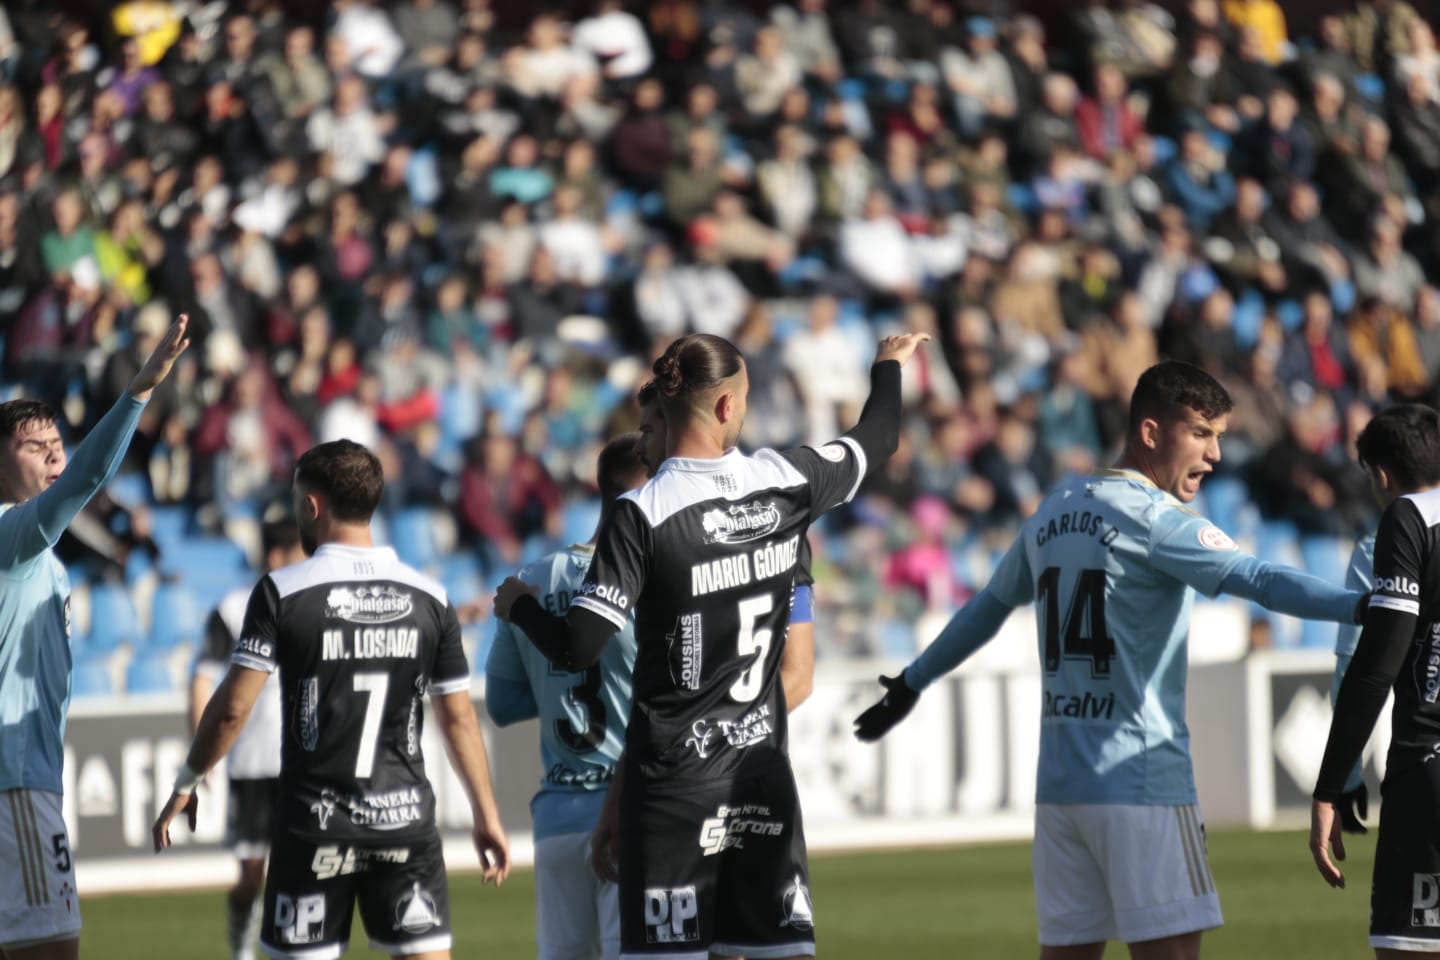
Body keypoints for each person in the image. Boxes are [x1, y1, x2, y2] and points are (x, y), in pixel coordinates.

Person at [853, 360, 1367, 960]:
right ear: (1150, 433)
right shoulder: (1157, 521)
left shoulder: (1055, 506)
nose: (1216, 455)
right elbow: (1261, 578)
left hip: (1063, 792)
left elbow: (989, 606)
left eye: (1219, 437)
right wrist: (1365, 607)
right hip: (1142, 782)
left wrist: (915, 679)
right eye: (1200, 434)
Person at [493, 331, 929, 960]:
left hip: (673, 790)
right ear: (726, 407)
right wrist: (887, 365)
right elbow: (880, 435)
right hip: (760, 782)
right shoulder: (786, 480)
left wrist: (522, 608)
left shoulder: (640, 513)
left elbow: (575, 648)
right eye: (745, 397)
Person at [153, 439, 510, 960]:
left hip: (314, 827)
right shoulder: (431, 596)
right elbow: (456, 717)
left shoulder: (282, 591)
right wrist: (487, 813)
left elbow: (232, 708)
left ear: (312, 505)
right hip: (405, 825)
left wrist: (187, 780)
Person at [0, 313, 189, 960]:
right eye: (34, 446)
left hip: (22, 775)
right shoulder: (13, 535)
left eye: (58, 441)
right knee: (53, 951)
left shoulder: (35, 549)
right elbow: (86, 479)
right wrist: (139, 389)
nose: (55, 454)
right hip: (16, 783)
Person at [484, 434, 650, 960]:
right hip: (632, 810)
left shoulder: (530, 581)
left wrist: (560, 689)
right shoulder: (654, 585)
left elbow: (504, 704)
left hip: (557, 816)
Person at [1310, 404, 1440, 958]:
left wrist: (1330, 785)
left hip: (1427, 768)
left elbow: (1376, 665)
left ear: (1381, 473)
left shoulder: (1408, 516)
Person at [188, 519, 308, 960]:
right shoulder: (235, 606)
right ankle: (242, 939)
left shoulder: (311, 599)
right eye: (298, 552)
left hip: (304, 762)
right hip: (254, 761)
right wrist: (203, 748)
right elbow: (202, 678)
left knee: (300, 869)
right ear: (276, 556)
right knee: (252, 872)